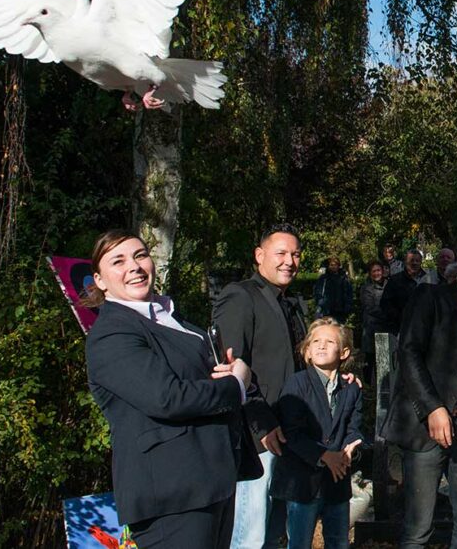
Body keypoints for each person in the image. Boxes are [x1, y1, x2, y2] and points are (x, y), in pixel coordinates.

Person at [85, 230, 250, 548]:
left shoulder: (172, 318)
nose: (134, 266)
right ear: (100, 281)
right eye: (118, 261)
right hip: (172, 494)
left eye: (140, 255)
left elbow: (201, 378)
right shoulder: (112, 333)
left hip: (212, 481)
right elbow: (167, 398)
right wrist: (236, 385)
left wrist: (230, 371)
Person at [382, 237, 457, 549]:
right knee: (418, 529)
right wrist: (432, 408)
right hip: (426, 423)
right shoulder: (431, 297)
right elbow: (409, 352)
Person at [212, 224, 309, 549]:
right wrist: (261, 424)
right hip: (256, 439)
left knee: (274, 534)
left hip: (290, 435)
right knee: (249, 537)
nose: (289, 261)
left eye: (295, 254)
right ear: (259, 255)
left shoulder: (290, 303)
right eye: (281, 253)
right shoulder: (240, 296)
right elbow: (230, 367)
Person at [273, 319, 364, 549]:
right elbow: (292, 432)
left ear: (344, 352)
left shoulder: (351, 388)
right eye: (315, 342)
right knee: (299, 542)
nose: (321, 346)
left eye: (329, 341)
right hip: (302, 481)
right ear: (307, 351)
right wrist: (324, 455)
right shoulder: (297, 383)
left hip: (337, 481)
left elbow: (353, 427)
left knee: (338, 541)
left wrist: (351, 448)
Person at [379, 249, 429, 336]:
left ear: (421, 262)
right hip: (401, 329)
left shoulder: (429, 279)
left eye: (417, 261)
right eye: (411, 260)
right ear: (405, 262)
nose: (414, 263)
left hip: (425, 328)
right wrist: (401, 317)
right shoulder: (395, 280)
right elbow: (385, 304)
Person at [359, 259, 388, 383]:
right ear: (370, 273)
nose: (377, 273)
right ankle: (367, 385)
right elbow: (369, 307)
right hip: (371, 328)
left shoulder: (389, 284)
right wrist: (388, 314)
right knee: (370, 358)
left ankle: (383, 383)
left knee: (384, 357)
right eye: (374, 271)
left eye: (379, 270)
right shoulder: (367, 288)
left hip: (386, 327)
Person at [314, 256, 355, 321]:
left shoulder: (344, 278)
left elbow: (349, 292)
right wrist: (321, 303)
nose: (334, 267)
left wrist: (348, 306)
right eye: (331, 265)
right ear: (328, 266)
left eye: (335, 265)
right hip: (326, 310)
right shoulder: (324, 278)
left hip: (340, 310)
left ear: (338, 266)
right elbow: (318, 292)